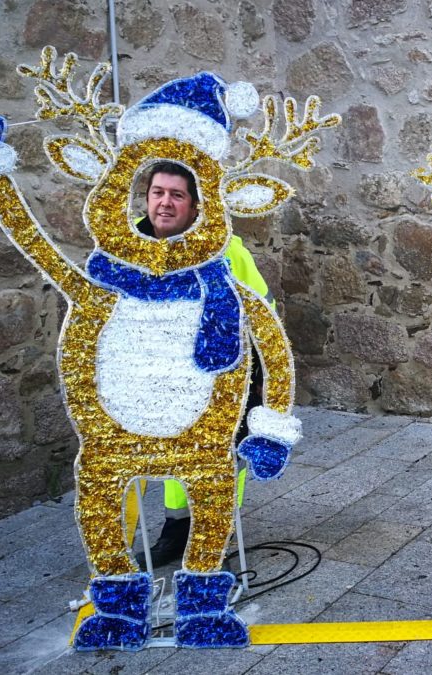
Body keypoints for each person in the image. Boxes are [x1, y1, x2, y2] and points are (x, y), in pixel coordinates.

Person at [133, 161, 273, 568]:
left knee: (220, 456)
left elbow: (262, 309)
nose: (165, 203)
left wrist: (262, 375)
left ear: (195, 207)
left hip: (220, 376)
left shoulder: (227, 249)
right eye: (158, 193)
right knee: (172, 457)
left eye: (177, 195)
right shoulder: (127, 247)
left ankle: (216, 532)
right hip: (157, 375)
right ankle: (177, 531)